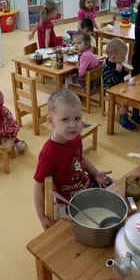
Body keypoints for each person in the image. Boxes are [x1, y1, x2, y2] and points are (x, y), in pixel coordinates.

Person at [33, 89, 112, 230]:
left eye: (77, 118)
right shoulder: (48, 154)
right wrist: (42, 216)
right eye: (65, 119)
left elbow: (80, 156)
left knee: (115, 191)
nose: (73, 125)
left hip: (86, 187)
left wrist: (95, 173)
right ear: (51, 121)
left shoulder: (75, 138)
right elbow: (38, 185)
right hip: (67, 202)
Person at [102, 38, 140, 131]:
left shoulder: (117, 62)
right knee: (125, 102)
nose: (123, 59)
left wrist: (125, 71)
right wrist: (117, 71)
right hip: (110, 91)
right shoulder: (107, 68)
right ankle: (124, 121)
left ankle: (135, 116)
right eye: (122, 57)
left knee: (135, 95)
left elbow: (120, 77)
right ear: (113, 56)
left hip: (120, 87)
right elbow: (111, 82)